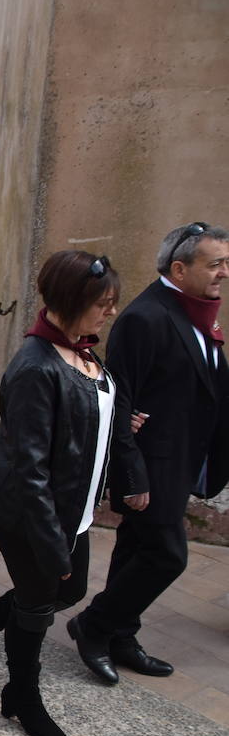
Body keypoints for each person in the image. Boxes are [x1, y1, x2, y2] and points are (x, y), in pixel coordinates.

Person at [0, 251, 148, 736]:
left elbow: (108, 418)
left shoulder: (84, 352)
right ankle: (22, 698)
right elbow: (29, 470)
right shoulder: (36, 368)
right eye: (104, 303)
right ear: (73, 302)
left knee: (67, 593)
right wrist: (53, 546)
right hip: (29, 510)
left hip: (71, 508)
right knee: (37, 601)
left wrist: (130, 476)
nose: (110, 312)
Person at [69, 224, 229, 684]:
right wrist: (132, 476)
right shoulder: (146, 318)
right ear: (179, 269)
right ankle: (93, 626)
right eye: (214, 264)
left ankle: (120, 635)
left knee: (137, 549)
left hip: (179, 462)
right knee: (166, 556)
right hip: (151, 465)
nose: (223, 272)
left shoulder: (198, 314)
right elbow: (122, 401)